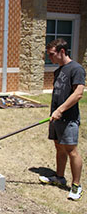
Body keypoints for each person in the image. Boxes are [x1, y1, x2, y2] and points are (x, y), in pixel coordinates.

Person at [39, 38, 85, 201]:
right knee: (59, 148)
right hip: (56, 117)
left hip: (68, 118)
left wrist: (61, 110)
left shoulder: (76, 69)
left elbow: (78, 93)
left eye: (51, 55)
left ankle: (76, 185)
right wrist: (55, 112)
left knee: (71, 151)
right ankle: (59, 177)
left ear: (62, 51)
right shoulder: (58, 70)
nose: (49, 58)